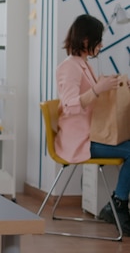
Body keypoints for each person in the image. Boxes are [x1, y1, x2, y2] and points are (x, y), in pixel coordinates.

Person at [56, 14, 130, 235]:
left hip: (93, 134)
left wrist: (113, 84)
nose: (102, 45)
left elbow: (91, 94)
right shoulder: (69, 67)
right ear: (86, 40)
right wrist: (98, 89)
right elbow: (69, 106)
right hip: (80, 140)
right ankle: (117, 204)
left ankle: (118, 202)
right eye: (99, 40)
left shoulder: (83, 65)